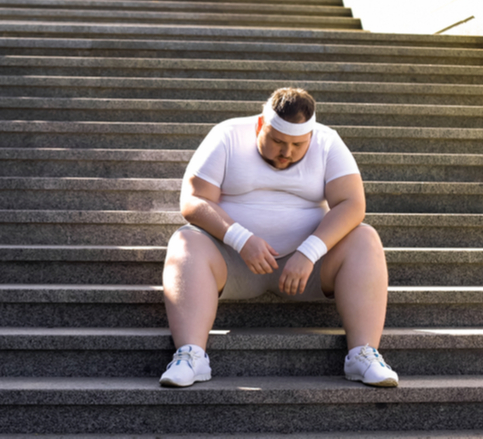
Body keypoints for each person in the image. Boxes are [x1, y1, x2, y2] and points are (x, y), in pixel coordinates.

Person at [159, 87, 399, 388]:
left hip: (307, 271)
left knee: (365, 237)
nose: (286, 152)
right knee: (185, 240)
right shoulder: (228, 134)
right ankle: (191, 355)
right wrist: (241, 239)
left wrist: (309, 251)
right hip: (232, 263)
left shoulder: (328, 141)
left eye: (298, 144)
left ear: (310, 136)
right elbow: (193, 200)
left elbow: (353, 204)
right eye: (277, 141)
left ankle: (363, 354)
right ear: (261, 125)